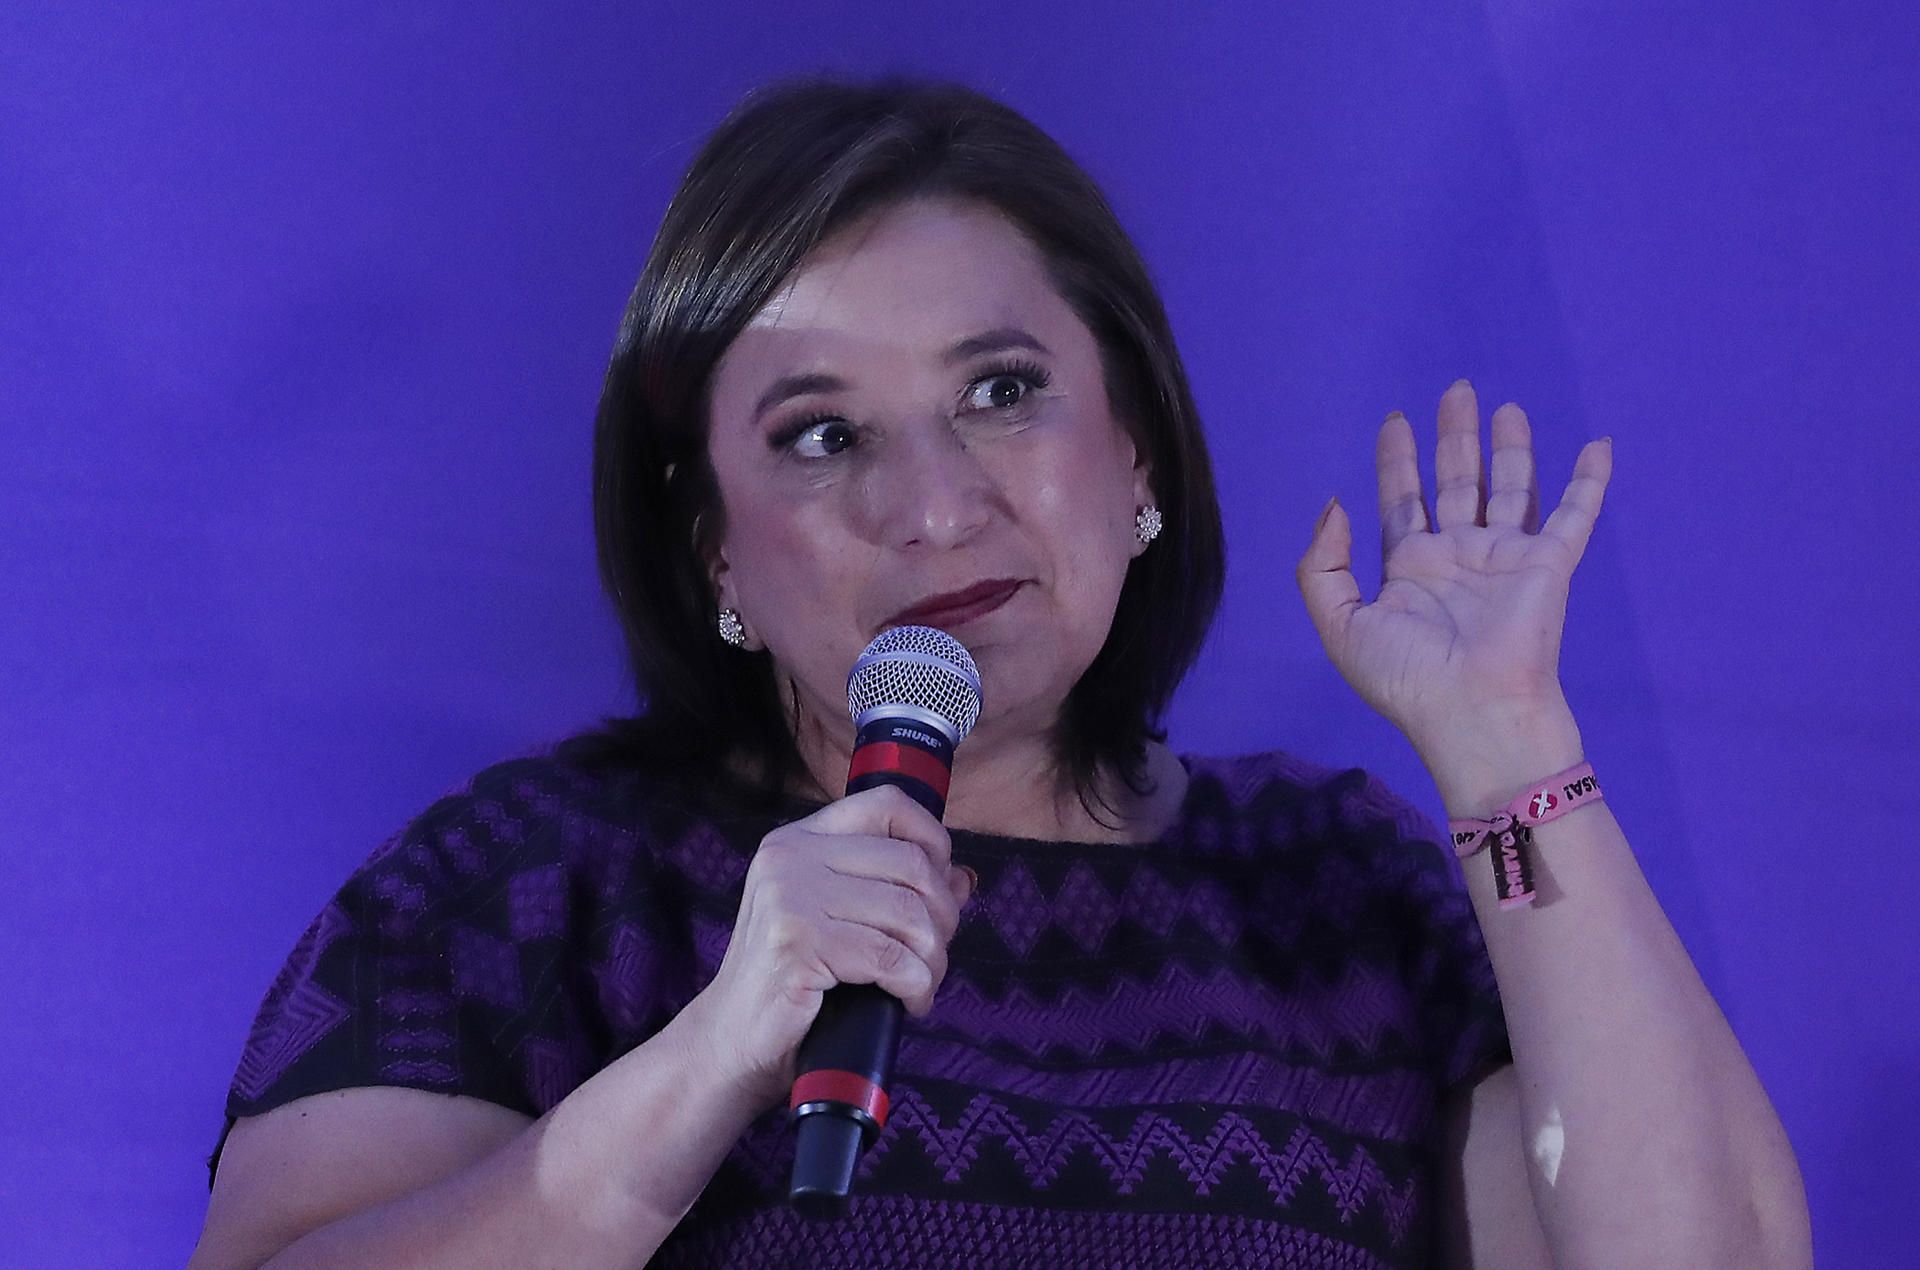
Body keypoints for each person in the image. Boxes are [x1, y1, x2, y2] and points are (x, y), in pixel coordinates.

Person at [188, 74, 1809, 1268]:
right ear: (715, 552)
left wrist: (1510, 749)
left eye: (1002, 390)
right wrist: (704, 1064)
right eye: (821, 434)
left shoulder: (1339, 896)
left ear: (1138, 452)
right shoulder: (530, 891)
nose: (934, 503)